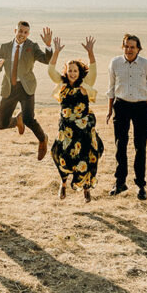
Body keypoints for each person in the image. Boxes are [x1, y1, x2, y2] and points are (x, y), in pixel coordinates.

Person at [49, 36, 103, 202]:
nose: (72, 73)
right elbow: (51, 70)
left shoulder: (85, 85)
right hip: (66, 130)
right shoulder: (62, 85)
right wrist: (56, 52)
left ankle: (86, 187)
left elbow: (93, 69)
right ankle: (63, 183)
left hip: (83, 130)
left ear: (80, 73)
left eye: (75, 70)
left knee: (86, 157)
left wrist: (91, 52)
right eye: (70, 70)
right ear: (66, 71)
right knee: (61, 156)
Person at [105, 33, 147, 200]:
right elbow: (111, 87)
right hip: (120, 106)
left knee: (140, 146)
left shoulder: (146, 65)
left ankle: (141, 185)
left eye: (132, 47)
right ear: (123, 47)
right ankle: (120, 182)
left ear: (138, 49)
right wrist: (109, 110)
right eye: (126, 46)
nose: (129, 50)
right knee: (120, 144)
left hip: (141, 107)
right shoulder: (115, 63)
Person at [0, 21, 54, 160]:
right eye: (20, 31)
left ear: (28, 34)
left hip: (26, 87)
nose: (22, 34)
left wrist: (48, 46)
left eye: (25, 32)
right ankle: (17, 120)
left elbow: (45, 59)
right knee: (2, 124)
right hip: (9, 88)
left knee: (29, 119)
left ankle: (43, 139)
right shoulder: (5, 47)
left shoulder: (32, 47)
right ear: (15, 30)